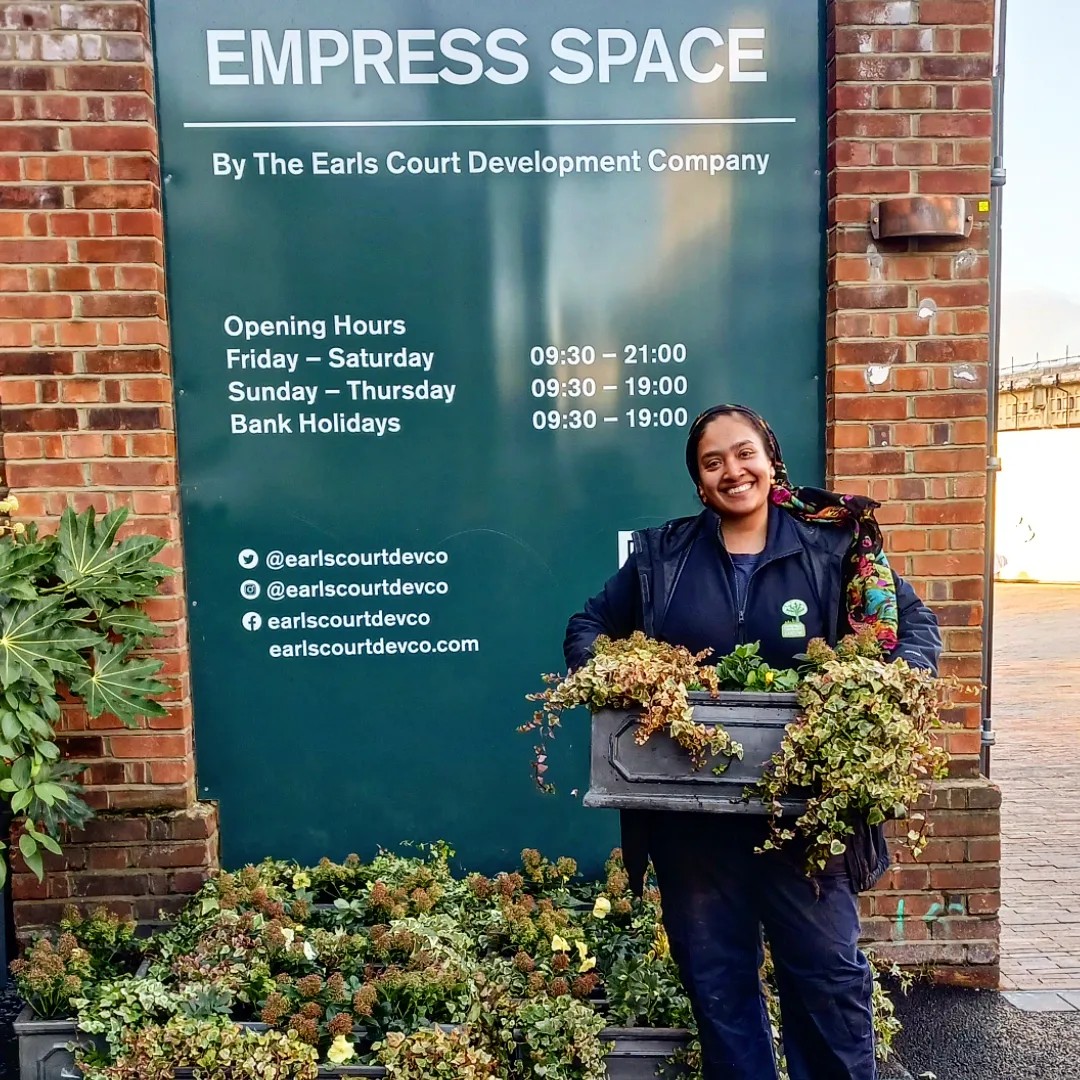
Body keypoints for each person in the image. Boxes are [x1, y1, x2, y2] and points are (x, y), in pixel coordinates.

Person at [563, 404, 941, 1080]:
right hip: (692, 823)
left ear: (771, 460)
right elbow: (588, 625)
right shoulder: (661, 558)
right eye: (712, 463)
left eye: (744, 455)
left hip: (806, 818)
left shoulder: (834, 548)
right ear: (699, 483)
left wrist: (890, 685)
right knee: (719, 990)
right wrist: (623, 676)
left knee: (828, 981)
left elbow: (913, 626)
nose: (731, 471)